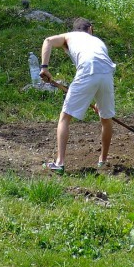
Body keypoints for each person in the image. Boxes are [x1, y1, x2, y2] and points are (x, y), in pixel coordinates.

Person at [39, 18, 116, 173]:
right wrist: (98, 103)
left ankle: (59, 163)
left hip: (88, 70)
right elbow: (98, 67)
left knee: (65, 117)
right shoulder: (97, 41)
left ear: (75, 30)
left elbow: (48, 40)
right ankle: (103, 161)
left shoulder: (69, 36)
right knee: (106, 120)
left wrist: (44, 67)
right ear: (90, 29)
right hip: (107, 74)